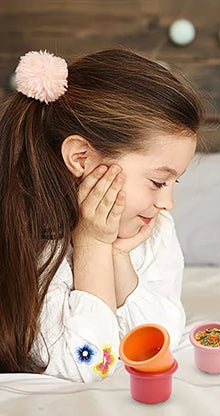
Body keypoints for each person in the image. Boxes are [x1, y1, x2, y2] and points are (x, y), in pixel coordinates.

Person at [0, 48, 205, 382]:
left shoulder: (153, 229)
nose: (168, 202)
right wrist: (93, 245)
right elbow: (90, 364)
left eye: (173, 182)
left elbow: (160, 337)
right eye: (157, 181)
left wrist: (118, 257)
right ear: (81, 158)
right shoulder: (32, 240)